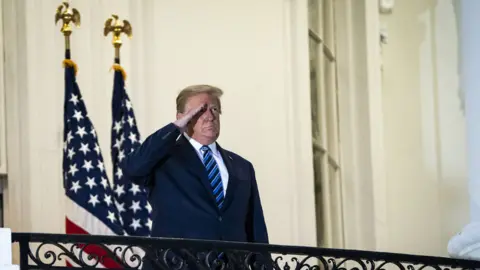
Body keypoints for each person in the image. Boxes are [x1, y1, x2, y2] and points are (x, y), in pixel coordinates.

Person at [122, 84, 269, 267]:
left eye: (214, 109)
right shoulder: (164, 159)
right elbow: (132, 168)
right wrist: (175, 129)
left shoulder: (242, 166)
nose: (209, 115)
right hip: (176, 265)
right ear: (181, 118)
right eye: (199, 111)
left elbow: (256, 230)